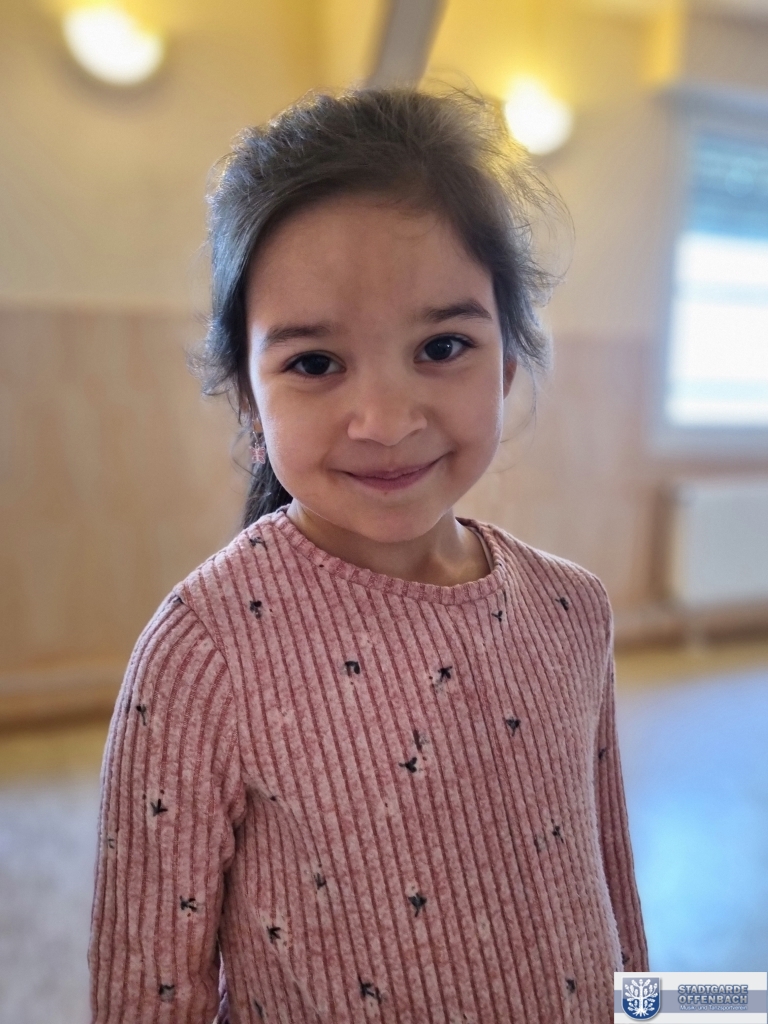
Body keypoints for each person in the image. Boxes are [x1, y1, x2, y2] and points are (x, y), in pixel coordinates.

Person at [88, 87, 648, 1024]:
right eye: (314, 363)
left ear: (507, 367)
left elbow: (611, 883)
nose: (385, 420)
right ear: (248, 401)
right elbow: (145, 988)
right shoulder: (202, 655)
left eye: (443, 345)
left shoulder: (570, 610)